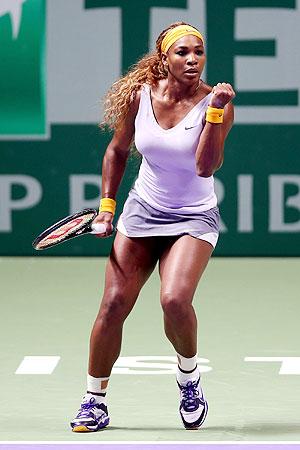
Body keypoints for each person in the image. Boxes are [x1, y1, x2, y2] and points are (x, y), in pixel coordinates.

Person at [70, 21, 235, 432]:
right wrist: (107, 207)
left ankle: (189, 378)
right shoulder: (138, 97)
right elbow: (117, 150)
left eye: (199, 52)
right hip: (143, 210)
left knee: (174, 300)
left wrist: (214, 112)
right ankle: (94, 401)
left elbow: (205, 166)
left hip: (194, 216)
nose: (193, 59)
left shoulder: (216, 102)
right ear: (164, 58)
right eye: (182, 53)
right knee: (112, 305)